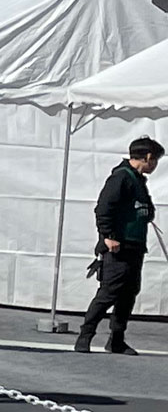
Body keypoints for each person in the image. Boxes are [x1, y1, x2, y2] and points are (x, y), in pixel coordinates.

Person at [76, 136, 162, 355]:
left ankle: (116, 339)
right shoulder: (121, 177)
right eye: (155, 161)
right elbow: (103, 208)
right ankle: (85, 335)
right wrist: (107, 236)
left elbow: (147, 209)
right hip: (118, 245)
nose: (155, 166)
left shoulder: (138, 180)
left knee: (129, 293)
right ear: (148, 157)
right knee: (108, 292)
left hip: (135, 245)